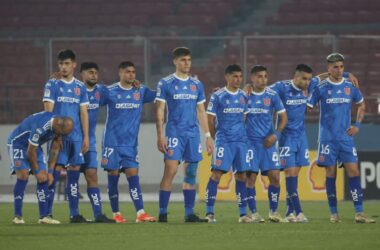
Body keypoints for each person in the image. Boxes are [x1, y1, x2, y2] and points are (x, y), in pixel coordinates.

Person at [307, 53, 375, 223]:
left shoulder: (350, 86)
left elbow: (361, 105)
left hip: (345, 138)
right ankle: (334, 213)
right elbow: (308, 107)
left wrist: (357, 125)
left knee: (354, 172)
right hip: (327, 139)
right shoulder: (320, 88)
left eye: (341, 67)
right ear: (328, 68)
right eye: (335, 67)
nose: (338, 70)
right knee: (331, 173)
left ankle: (359, 212)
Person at [155, 47, 214, 222]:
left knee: (191, 173)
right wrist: (160, 135)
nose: (186, 63)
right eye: (183, 60)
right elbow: (159, 110)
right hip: (174, 133)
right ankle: (163, 212)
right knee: (171, 171)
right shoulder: (165, 83)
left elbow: (201, 112)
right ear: (175, 62)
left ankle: (189, 213)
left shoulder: (196, 84)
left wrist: (208, 136)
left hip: (193, 134)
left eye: (188, 60)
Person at [101, 61, 156, 223]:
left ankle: (140, 213)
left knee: (133, 175)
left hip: (130, 144)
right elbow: (90, 99)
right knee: (113, 175)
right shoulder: (110, 91)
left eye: (133, 72)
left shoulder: (141, 90)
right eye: (127, 72)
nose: (131, 75)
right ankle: (116, 213)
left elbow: (159, 95)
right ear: (120, 73)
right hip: (112, 142)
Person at [43, 49, 90, 223]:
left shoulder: (80, 87)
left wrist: (85, 137)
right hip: (58, 137)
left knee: (74, 175)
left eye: (67, 63)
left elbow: (83, 113)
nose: (63, 67)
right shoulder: (53, 84)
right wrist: (55, 134)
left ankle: (74, 213)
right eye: (61, 64)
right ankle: (46, 213)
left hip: (76, 138)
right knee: (53, 175)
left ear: (74, 65)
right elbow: (48, 109)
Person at [204, 64, 251, 223]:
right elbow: (209, 118)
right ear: (227, 77)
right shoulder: (218, 96)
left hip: (241, 142)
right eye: (234, 76)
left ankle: (243, 215)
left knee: (242, 176)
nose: (238, 79)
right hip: (224, 141)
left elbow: (244, 117)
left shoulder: (244, 96)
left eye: (240, 76)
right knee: (216, 174)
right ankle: (209, 213)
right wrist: (213, 136)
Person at [7, 112, 73, 224]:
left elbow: (54, 150)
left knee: (43, 178)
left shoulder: (59, 126)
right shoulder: (41, 126)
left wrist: (50, 172)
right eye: (62, 133)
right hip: (18, 143)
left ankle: (43, 217)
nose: (62, 136)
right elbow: (30, 151)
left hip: (33, 146)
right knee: (23, 175)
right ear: (57, 126)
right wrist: (36, 171)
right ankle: (17, 216)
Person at [268, 64, 313, 222]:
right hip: (286, 138)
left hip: (301, 137)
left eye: (309, 79)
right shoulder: (282, 87)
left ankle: (289, 212)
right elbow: (263, 90)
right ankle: (299, 211)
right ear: (296, 77)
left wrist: (347, 74)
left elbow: (324, 77)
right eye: (304, 79)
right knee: (290, 174)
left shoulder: (309, 86)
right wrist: (247, 87)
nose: (307, 82)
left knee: (294, 176)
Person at [245, 65, 288, 223]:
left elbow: (284, 118)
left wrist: (276, 135)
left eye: (265, 76)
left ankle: (274, 212)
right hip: (250, 143)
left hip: (268, 143)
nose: (262, 79)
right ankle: (254, 213)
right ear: (252, 78)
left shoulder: (272, 95)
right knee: (251, 178)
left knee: (275, 176)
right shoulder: (245, 95)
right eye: (259, 76)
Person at [79, 62, 114, 223]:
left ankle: (98, 214)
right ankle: (72, 214)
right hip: (72, 139)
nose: (93, 75)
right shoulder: (76, 89)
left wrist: (132, 84)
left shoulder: (101, 91)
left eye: (95, 72)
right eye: (90, 72)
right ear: (82, 74)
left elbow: (118, 93)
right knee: (68, 175)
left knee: (92, 174)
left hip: (89, 140)